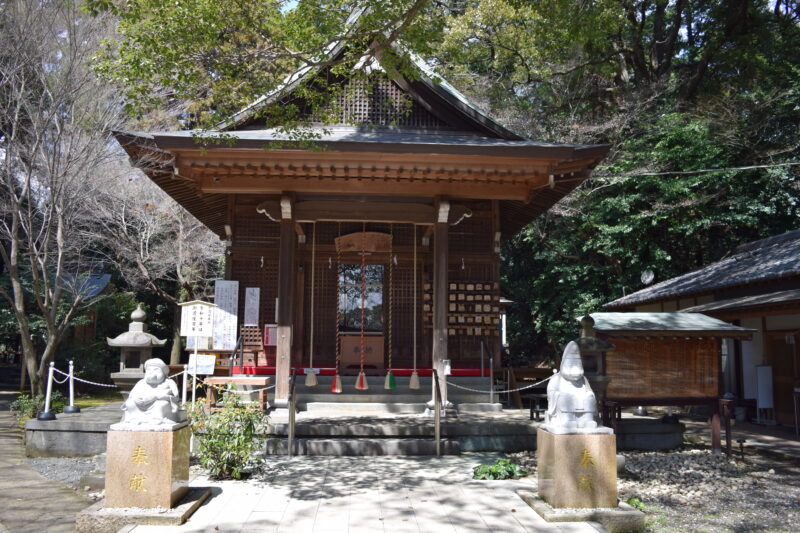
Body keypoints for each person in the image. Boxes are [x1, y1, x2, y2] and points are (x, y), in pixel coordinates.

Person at [542, 341, 599, 432]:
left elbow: (589, 390)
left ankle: (588, 419)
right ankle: (568, 419)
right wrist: (559, 395)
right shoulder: (557, 379)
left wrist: (589, 394)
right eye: (571, 364)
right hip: (564, 408)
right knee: (565, 397)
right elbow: (551, 393)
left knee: (589, 397)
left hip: (581, 401)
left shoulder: (583, 379)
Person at [121, 358, 181, 425]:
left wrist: (156, 396)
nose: (151, 372)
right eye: (148, 370)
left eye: (156, 370)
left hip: (158, 404)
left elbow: (175, 397)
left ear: (163, 373)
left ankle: (157, 418)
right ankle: (134, 418)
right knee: (130, 403)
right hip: (141, 404)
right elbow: (132, 394)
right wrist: (136, 398)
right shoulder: (141, 383)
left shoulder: (169, 382)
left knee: (161, 404)